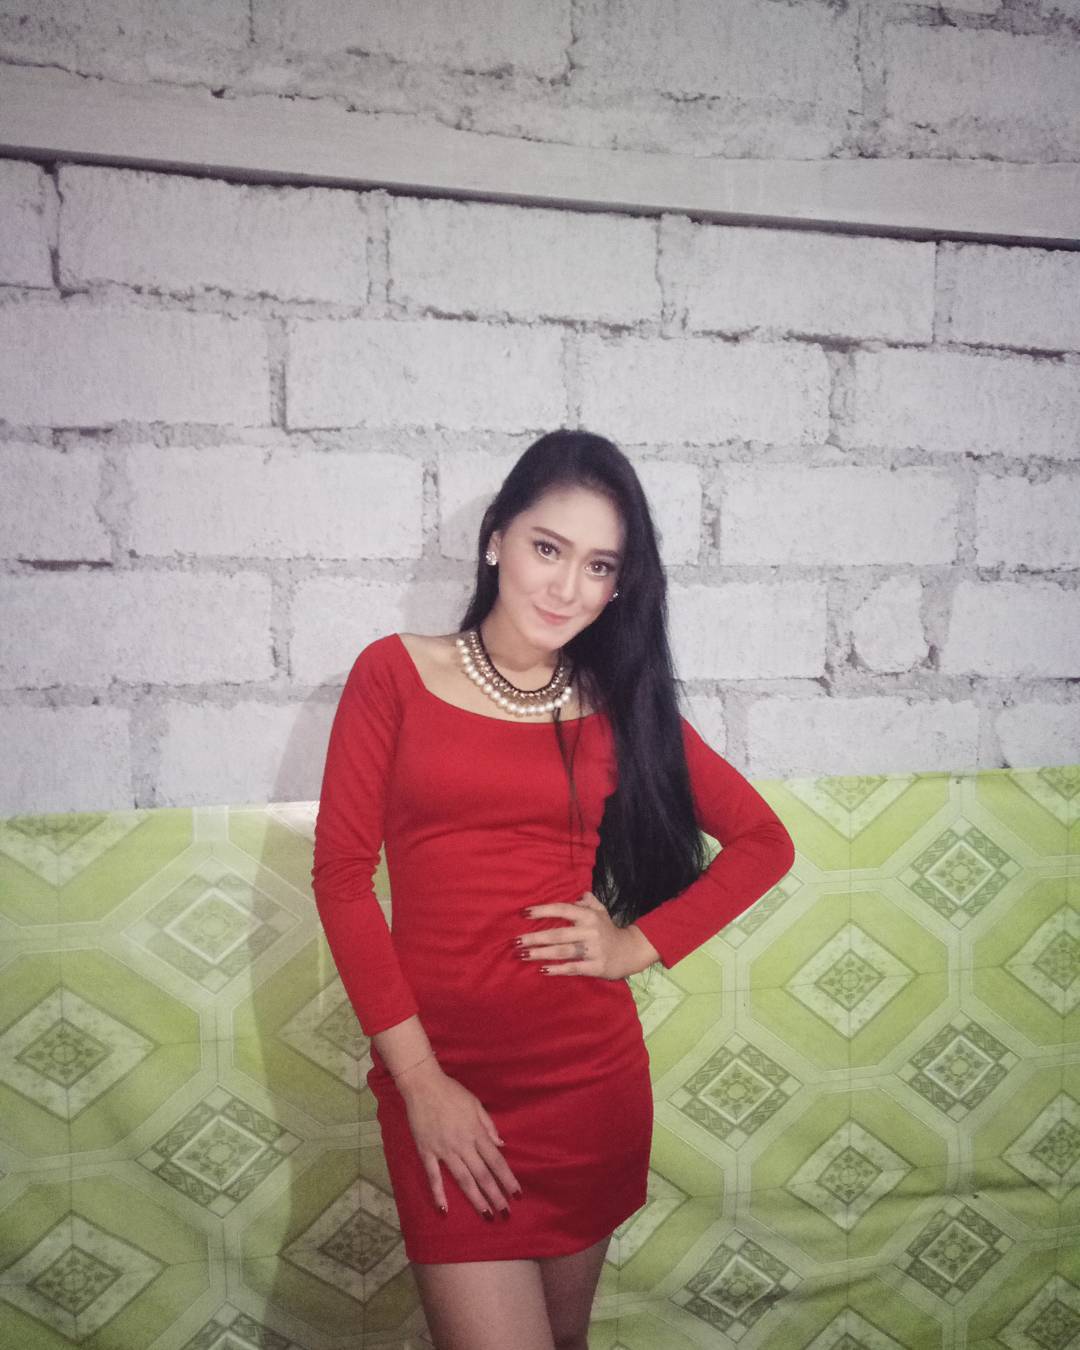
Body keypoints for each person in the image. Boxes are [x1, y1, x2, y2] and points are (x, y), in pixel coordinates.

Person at [311, 429, 795, 1350]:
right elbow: (340, 880)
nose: (567, 587)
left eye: (599, 566)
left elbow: (766, 843)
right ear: (497, 537)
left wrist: (634, 944)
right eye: (548, 547)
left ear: (619, 587)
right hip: (439, 1080)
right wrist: (420, 1084)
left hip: (586, 1086)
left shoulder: (619, 704)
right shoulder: (394, 673)